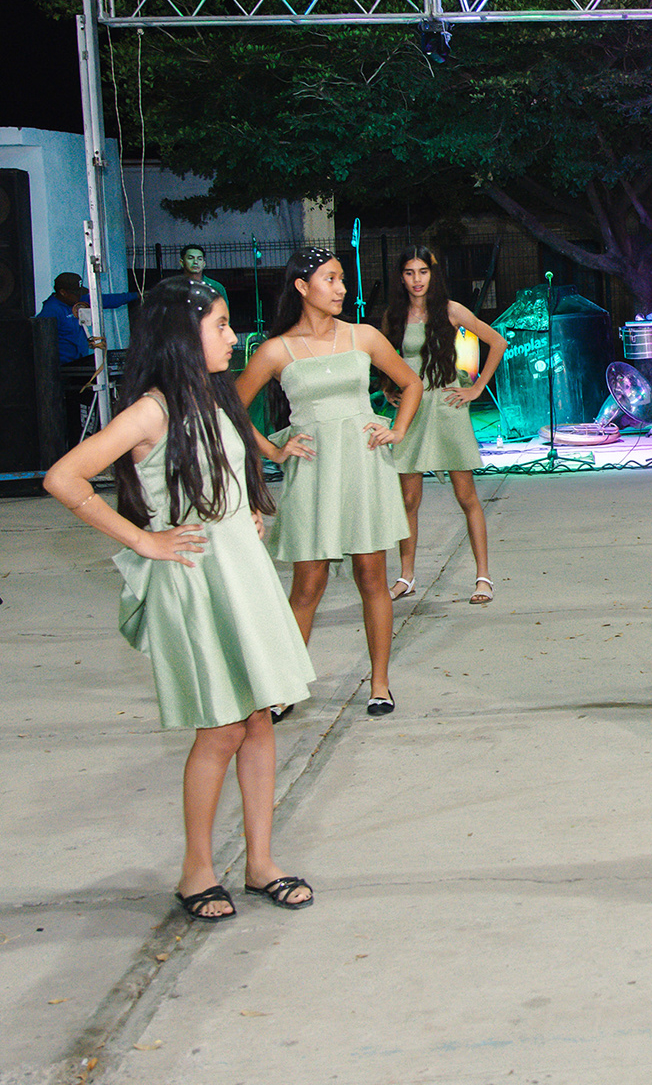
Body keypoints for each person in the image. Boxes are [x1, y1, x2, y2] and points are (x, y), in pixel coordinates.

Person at [42, 278, 317, 920]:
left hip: (241, 573)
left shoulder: (214, 398)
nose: (233, 336)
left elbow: (219, 473)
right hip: (196, 583)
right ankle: (196, 871)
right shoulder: (152, 410)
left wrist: (244, 511)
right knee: (220, 728)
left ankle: (260, 862)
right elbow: (63, 477)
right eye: (220, 325)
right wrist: (145, 540)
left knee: (258, 720)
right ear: (181, 335)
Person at [236, 249, 421, 717]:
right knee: (308, 583)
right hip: (313, 471)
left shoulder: (364, 336)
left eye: (341, 279)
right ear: (302, 286)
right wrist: (273, 450)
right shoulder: (275, 349)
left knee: (372, 576)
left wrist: (397, 429)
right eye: (330, 279)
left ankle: (380, 684)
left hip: (363, 465)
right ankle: (285, 685)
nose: (341, 288)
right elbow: (231, 408)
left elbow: (411, 383)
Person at [378, 247, 505, 605]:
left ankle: (483, 577)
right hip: (412, 409)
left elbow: (497, 342)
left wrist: (476, 388)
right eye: (409, 273)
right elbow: (386, 357)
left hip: (447, 406)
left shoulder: (450, 310)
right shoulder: (394, 314)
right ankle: (406, 577)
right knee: (408, 500)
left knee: (466, 497)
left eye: (422, 272)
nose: (417, 279)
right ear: (401, 277)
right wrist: (389, 387)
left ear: (432, 274)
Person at [39, 271, 140, 444]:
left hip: (80, 366)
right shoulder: (51, 310)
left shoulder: (76, 301)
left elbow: (106, 300)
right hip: (64, 371)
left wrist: (136, 295)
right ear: (63, 292)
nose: (80, 296)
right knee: (77, 414)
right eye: (75, 293)